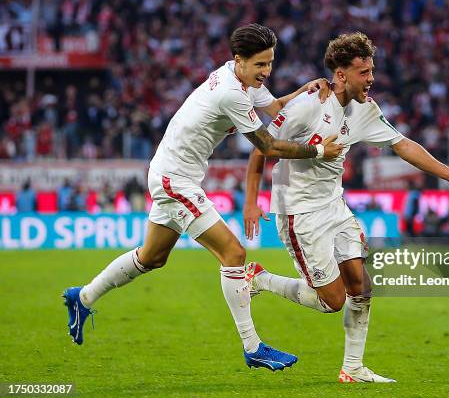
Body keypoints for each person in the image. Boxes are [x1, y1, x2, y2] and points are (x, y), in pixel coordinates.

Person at [62, 24, 343, 372]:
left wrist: (304, 90)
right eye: (260, 65)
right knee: (234, 253)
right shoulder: (231, 93)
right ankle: (253, 347)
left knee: (151, 257)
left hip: (171, 173)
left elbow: (274, 107)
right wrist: (317, 150)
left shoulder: (241, 79)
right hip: (175, 179)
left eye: (270, 63)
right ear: (239, 60)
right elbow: (267, 145)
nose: (266, 72)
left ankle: (83, 296)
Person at [243, 32, 449, 382]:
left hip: (335, 206)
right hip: (299, 212)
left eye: (371, 70)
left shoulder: (366, 109)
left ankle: (354, 368)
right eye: (363, 72)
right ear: (341, 74)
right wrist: (251, 202)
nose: (371, 78)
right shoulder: (308, 105)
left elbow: (403, 145)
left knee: (361, 285)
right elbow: (261, 148)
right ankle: (260, 279)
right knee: (332, 301)